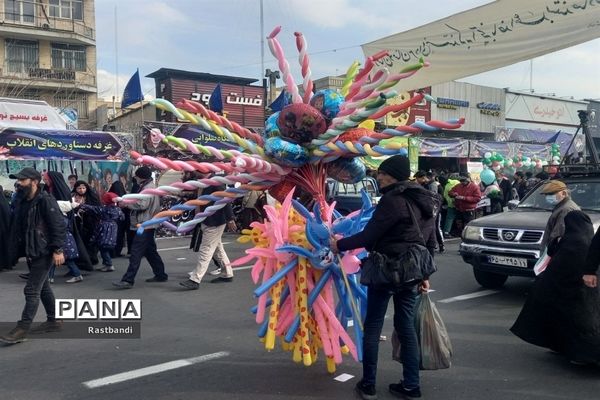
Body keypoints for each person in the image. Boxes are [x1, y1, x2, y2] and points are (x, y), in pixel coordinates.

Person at [329, 155, 437, 400]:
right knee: (406, 327)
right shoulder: (427, 199)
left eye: (382, 173)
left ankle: (368, 385)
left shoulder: (392, 200)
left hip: (386, 270)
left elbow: (368, 237)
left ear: (393, 176)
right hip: (413, 272)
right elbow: (429, 240)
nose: (378, 177)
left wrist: (340, 244)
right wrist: (425, 274)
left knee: (373, 325)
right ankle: (412, 386)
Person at [511, 211, 600, 365]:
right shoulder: (586, 239)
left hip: (567, 293)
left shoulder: (571, 242)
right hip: (585, 294)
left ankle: (580, 355)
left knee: (572, 325)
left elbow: (556, 266)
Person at [0, 168, 65, 344]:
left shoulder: (45, 200)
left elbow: (57, 225)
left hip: (44, 251)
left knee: (31, 290)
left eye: (23, 180)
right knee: (43, 287)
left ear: (34, 181)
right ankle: (54, 320)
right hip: (32, 250)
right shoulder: (23, 200)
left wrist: (58, 250)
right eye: (18, 180)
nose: (19, 183)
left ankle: (22, 329)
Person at [113, 166, 168, 289]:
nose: (135, 178)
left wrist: (126, 204)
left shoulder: (148, 189)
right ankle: (160, 274)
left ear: (140, 176)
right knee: (150, 251)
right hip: (148, 223)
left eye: (136, 176)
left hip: (145, 223)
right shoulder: (148, 186)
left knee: (136, 252)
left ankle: (128, 280)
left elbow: (142, 205)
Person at [180, 177, 238, 290]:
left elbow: (226, 199)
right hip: (205, 220)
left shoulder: (215, 181)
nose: (194, 172)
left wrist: (230, 219)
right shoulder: (201, 182)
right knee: (217, 249)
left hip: (214, 221)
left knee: (206, 249)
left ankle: (195, 279)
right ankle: (228, 273)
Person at [81, 192, 124, 272]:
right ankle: (105, 264)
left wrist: (81, 205)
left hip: (104, 229)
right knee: (106, 246)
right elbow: (122, 217)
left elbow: (93, 208)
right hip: (114, 228)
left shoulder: (104, 209)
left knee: (103, 248)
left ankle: (109, 264)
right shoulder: (118, 209)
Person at [539, 180, 579, 250]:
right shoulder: (561, 207)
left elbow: (557, 236)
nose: (548, 197)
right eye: (546, 194)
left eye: (551, 194)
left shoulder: (566, 209)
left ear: (563, 193)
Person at [72, 180, 101, 265]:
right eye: (79, 188)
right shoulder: (73, 196)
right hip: (78, 222)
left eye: (83, 188)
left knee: (90, 241)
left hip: (90, 222)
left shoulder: (92, 196)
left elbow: (97, 209)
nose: (81, 190)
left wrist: (87, 209)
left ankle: (91, 259)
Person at [108, 180, 129, 257]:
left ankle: (112, 252)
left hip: (112, 219)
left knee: (112, 235)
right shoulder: (124, 196)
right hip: (121, 219)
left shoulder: (110, 195)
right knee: (120, 235)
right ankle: (117, 252)